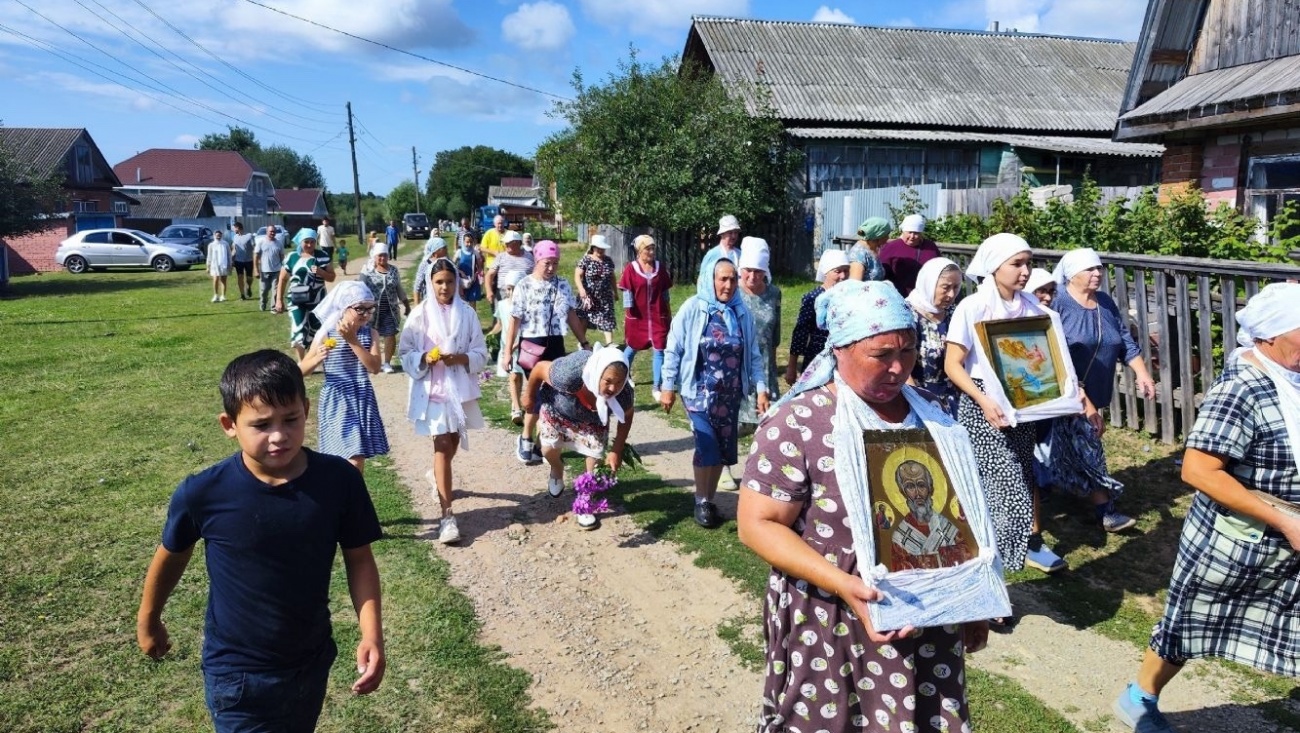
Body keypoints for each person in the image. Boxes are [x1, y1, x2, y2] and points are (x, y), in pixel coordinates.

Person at [737, 280, 987, 733]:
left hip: (930, 619)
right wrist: (846, 586)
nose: (898, 368)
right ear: (839, 349)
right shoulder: (797, 422)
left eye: (907, 351)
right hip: (833, 617)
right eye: (881, 355)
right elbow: (757, 524)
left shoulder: (932, 413)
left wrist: (972, 601)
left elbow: (958, 512)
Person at [135, 350, 384, 731]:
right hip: (238, 674)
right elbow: (171, 554)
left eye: (291, 419)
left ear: (306, 408)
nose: (279, 435)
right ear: (229, 424)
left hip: (311, 661)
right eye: (262, 424)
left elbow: (359, 558)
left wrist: (371, 633)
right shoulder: (204, 493)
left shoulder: (339, 481)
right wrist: (148, 619)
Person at [1113, 283, 1300, 733]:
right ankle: (1139, 698)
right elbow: (1198, 471)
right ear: (1270, 336)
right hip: (1238, 539)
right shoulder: (1243, 389)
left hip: (1286, 536)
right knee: (1193, 619)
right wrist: (1284, 520)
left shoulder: (1291, 378)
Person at [943, 233, 1084, 578]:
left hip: (1023, 406)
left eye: (1028, 263)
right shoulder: (973, 306)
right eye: (1016, 263)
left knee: (1019, 482)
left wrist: (1070, 389)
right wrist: (983, 400)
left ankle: (993, 576)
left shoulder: (1036, 311)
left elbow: (1049, 360)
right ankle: (989, 575)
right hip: (984, 407)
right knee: (1003, 492)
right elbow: (952, 364)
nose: (1025, 271)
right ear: (994, 266)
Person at [1047, 248, 1157, 532]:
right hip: (1067, 393)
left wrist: (1142, 373)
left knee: (1070, 447)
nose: (1097, 274)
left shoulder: (1105, 302)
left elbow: (1123, 339)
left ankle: (1058, 485)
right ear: (1072, 274)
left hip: (1097, 389)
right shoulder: (1058, 303)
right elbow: (1053, 353)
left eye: (1099, 269)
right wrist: (1081, 397)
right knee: (1088, 446)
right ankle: (1106, 510)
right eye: (1090, 270)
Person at [661, 250, 769, 528]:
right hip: (698, 391)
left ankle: (709, 500)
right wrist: (667, 386)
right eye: (723, 279)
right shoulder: (693, 308)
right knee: (706, 444)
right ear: (710, 279)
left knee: (722, 449)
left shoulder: (741, 312)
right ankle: (700, 500)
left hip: (730, 393)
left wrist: (760, 388)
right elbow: (673, 348)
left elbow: (754, 355)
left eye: (733, 280)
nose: (728, 285)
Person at [398, 258, 490, 545]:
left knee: (451, 443)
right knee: (441, 445)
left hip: (458, 390)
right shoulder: (419, 315)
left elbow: (480, 352)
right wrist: (425, 358)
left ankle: (436, 475)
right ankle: (447, 516)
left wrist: (460, 358)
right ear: (430, 283)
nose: (445, 287)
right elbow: (406, 352)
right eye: (439, 282)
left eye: (449, 281)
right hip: (433, 390)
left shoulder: (467, 314)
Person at [524, 344, 635, 529]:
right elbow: (539, 368)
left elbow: (627, 415)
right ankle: (557, 469)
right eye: (607, 381)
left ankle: (585, 501)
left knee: (595, 456)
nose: (612, 388)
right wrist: (529, 396)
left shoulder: (623, 393)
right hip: (557, 409)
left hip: (593, 421)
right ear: (597, 373)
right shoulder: (569, 373)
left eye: (618, 382)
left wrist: (617, 450)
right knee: (548, 449)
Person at [501, 240, 590, 465]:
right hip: (532, 344)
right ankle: (525, 438)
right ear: (537, 261)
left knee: (555, 395)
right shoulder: (524, 285)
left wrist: (584, 341)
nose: (551, 268)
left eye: (555, 263)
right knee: (537, 395)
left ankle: (544, 443)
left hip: (555, 344)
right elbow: (514, 321)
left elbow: (571, 315)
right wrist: (506, 352)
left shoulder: (562, 284)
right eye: (547, 263)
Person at [297, 281, 389, 475]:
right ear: (343, 307)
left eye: (369, 309)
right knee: (346, 458)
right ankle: (347, 498)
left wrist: (352, 341)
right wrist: (316, 359)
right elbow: (300, 371)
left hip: (361, 397)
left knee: (357, 458)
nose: (366, 314)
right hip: (337, 399)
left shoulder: (370, 334)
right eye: (359, 309)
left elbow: (374, 367)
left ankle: (351, 500)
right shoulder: (325, 333)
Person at [722, 236, 781, 491]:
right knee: (732, 420)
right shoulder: (731, 294)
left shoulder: (774, 294)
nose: (752, 276)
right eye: (747, 270)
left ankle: (758, 470)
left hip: (765, 367)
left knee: (768, 423)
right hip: (736, 366)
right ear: (740, 269)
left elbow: (775, 334)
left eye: (758, 271)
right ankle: (723, 466)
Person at [619, 234, 673, 402]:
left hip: (658, 316)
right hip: (638, 317)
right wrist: (628, 313)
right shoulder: (631, 268)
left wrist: (668, 312)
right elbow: (627, 291)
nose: (651, 252)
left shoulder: (659, 267)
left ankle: (656, 386)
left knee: (659, 351)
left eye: (652, 248)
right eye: (647, 249)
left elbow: (665, 293)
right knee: (631, 348)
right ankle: (624, 376)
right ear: (639, 250)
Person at [786, 248, 851, 385]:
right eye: (838, 271)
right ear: (826, 272)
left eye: (846, 270)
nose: (843, 276)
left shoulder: (850, 297)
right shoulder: (814, 298)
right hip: (817, 356)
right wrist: (792, 366)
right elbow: (801, 333)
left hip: (844, 358)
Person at [274, 229, 336, 360]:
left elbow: (331, 277)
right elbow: (282, 279)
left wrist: (321, 272)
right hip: (296, 300)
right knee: (299, 328)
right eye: (306, 242)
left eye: (312, 242)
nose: (309, 245)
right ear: (300, 242)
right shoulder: (292, 257)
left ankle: (310, 359)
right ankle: (301, 363)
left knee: (316, 330)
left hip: (318, 300)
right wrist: (279, 300)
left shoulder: (322, 256)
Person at [358, 241, 410, 374]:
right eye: (380, 256)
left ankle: (387, 363)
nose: (382, 258)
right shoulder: (367, 270)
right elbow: (359, 289)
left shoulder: (393, 270)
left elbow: (399, 289)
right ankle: (370, 363)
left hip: (390, 310)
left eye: (385, 255)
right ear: (374, 256)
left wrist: (406, 305)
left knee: (390, 334)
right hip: (371, 311)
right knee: (369, 336)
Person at [490, 270, 527, 419]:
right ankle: (516, 408)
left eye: (514, 289)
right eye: (508, 289)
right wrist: (490, 335)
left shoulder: (525, 307)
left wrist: (515, 345)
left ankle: (516, 401)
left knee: (520, 377)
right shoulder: (502, 305)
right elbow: (499, 323)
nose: (511, 293)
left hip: (522, 346)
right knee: (512, 376)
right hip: (507, 347)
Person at [879, 213, 941, 296]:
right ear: (903, 231)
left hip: (924, 294)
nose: (912, 236)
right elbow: (881, 271)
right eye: (909, 232)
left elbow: (939, 267)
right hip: (897, 294)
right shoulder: (891, 247)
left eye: (916, 233)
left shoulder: (930, 247)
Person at [575, 234, 617, 345]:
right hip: (588, 296)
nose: (601, 250)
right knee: (584, 318)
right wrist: (581, 290)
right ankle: (582, 343)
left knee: (607, 318)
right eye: (598, 248)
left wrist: (615, 292)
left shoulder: (608, 260)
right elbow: (577, 275)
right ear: (593, 247)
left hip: (605, 296)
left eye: (603, 248)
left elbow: (612, 277)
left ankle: (609, 344)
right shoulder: (586, 260)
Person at [484, 230, 534, 310]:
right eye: (505, 243)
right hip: (504, 294)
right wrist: (489, 291)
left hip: (524, 294)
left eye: (508, 243)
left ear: (518, 243)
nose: (505, 245)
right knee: (501, 320)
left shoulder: (530, 257)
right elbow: (489, 275)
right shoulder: (501, 257)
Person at [253, 224, 284, 312]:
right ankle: (263, 303)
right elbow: (255, 255)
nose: (272, 233)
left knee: (275, 290)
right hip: (264, 271)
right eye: (271, 231)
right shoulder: (261, 242)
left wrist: (283, 268)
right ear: (267, 232)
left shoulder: (279, 243)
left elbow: (282, 256)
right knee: (264, 291)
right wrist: (256, 269)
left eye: (274, 231)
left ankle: (273, 307)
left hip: (276, 271)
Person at [848, 216, 889, 281]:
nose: (888, 238)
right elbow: (855, 285)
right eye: (887, 234)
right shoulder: (858, 255)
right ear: (879, 235)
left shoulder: (872, 249)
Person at [412, 236, 450, 306]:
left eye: (446, 247)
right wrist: (416, 307)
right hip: (429, 303)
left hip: (446, 303)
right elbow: (417, 287)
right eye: (443, 248)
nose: (446, 250)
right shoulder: (425, 265)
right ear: (435, 251)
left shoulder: (448, 263)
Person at [454, 232, 484, 310]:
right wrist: (460, 272)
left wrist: (479, 275)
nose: (469, 244)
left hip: (473, 281)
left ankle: (472, 319)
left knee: (472, 303)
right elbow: (452, 265)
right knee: (462, 302)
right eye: (467, 242)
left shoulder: (475, 253)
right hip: (462, 282)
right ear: (463, 242)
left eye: (471, 242)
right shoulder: (459, 252)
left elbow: (480, 268)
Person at [230, 222, 256, 300]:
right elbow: (234, 249)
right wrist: (232, 259)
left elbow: (254, 247)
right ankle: (242, 295)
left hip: (249, 260)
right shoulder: (235, 237)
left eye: (234, 228)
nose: (233, 230)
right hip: (238, 261)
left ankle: (249, 287)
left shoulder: (249, 236)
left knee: (249, 278)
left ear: (238, 227)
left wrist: (256, 258)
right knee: (240, 277)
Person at [206, 230, 230, 303]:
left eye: (219, 235)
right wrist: (208, 266)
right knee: (215, 279)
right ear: (214, 235)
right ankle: (216, 295)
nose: (218, 236)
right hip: (215, 265)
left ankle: (223, 296)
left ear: (221, 235)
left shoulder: (225, 244)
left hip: (224, 264)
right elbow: (209, 256)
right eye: (217, 235)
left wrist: (230, 264)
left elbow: (229, 255)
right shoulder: (211, 245)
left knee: (223, 280)